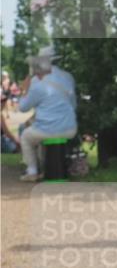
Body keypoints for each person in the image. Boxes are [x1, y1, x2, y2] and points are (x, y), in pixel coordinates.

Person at [16, 46, 77, 182]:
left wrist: (24, 90)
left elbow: (22, 107)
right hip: (70, 128)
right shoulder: (69, 77)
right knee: (41, 130)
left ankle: (32, 171)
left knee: (26, 136)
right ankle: (47, 168)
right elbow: (73, 105)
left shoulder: (37, 81)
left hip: (49, 130)